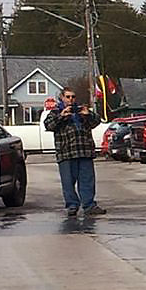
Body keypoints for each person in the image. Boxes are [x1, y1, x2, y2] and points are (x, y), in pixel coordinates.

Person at [44, 88, 104, 217]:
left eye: (73, 97)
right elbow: (48, 125)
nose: (71, 99)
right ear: (62, 98)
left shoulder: (82, 111)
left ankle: (89, 205)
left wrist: (88, 115)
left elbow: (96, 121)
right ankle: (72, 205)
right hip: (66, 153)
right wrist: (62, 116)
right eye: (68, 97)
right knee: (68, 182)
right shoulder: (55, 112)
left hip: (85, 151)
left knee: (87, 180)